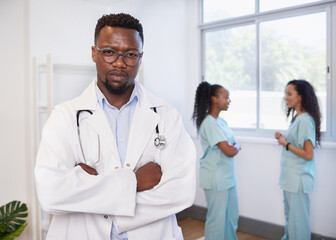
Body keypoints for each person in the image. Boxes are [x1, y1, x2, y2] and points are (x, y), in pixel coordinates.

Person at [34, 13, 196, 240]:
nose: (120, 62)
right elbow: (51, 193)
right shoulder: (64, 117)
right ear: (94, 53)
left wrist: (91, 189)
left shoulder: (167, 116)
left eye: (130, 54)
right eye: (109, 52)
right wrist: (135, 182)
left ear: (140, 57)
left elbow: (181, 191)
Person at [192, 81, 241, 240]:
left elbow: (232, 146)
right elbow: (229, 150)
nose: (229, 101)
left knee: (231, 217)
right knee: (217, 220)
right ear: (214, 99)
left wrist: (235, 146)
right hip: (216, 178)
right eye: (226, 97)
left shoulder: (221, 122)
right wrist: (236, 146)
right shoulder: (209, 123)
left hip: (228, 177)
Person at [274, 79, 321, 240]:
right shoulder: (298, 119)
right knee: (291, 221)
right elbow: (298, 144)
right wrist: (285, 139)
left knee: (298, 222)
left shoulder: (306, 120)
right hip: (290, 179)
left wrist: (286, 144)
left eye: (289, 93)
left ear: (300, 97)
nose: (285, 97)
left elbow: (308, 154)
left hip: (298, 180)